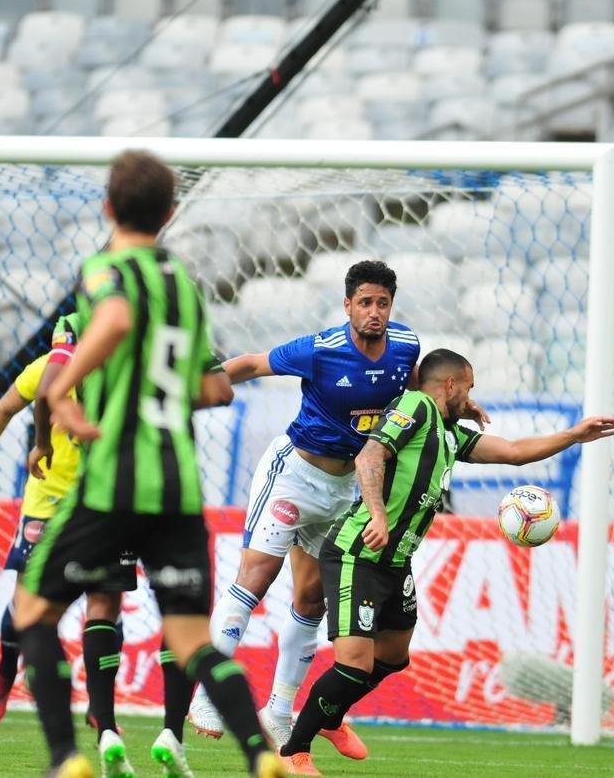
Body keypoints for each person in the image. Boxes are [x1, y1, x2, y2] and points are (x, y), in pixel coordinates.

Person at [13, 149, 283, 778]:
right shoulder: (185, 291)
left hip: (112, 481)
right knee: (192, 640)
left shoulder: (107, 269)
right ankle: (260, 754)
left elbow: (113, 318)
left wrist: (62, 389)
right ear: (170, 213)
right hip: (177, 487)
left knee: (32, 611)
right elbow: (216, 389)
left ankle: (66, 759)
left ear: (107, 206)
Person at [276, 348, 614, 775]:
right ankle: (294, 749)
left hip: (394, 562)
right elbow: (368, 456)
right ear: (451, 385)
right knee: (354, 665)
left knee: (394, 657)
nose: (473, 398)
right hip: (359, 551)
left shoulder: (449, 433)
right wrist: (379, 515)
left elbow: (513, 450)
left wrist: (574, 435)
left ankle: (329, 718)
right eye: (469, 387)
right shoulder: (415, 406)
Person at [192, 260, 485, 753]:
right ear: (348, 305)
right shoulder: (321, 350)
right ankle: (207, 693)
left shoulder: (406, 346)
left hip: (347, 485)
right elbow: (251, 364)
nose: (374, 312)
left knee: (311, 598)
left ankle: (279, 712)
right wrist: (198, 388)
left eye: (383, 303)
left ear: (392, 306)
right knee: (256, 577)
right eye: (365, 302)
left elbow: (416, 385)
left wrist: (458, 404)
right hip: (295, 474)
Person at [0, 312, 191, 776]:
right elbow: (1, 411)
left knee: (105, 600)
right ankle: (5, 672)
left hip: (104, 500)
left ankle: (103, 716)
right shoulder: (47, 370)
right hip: (49, 501)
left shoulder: (129, 373)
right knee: (29, 603)